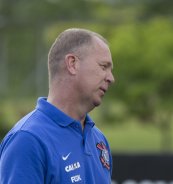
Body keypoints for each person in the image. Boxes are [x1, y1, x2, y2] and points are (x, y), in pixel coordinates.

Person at [0, 28, 115, 183]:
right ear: (72, 64)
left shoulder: (99, 140)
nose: (111, 78)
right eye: (103, 66)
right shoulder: (27, 139)